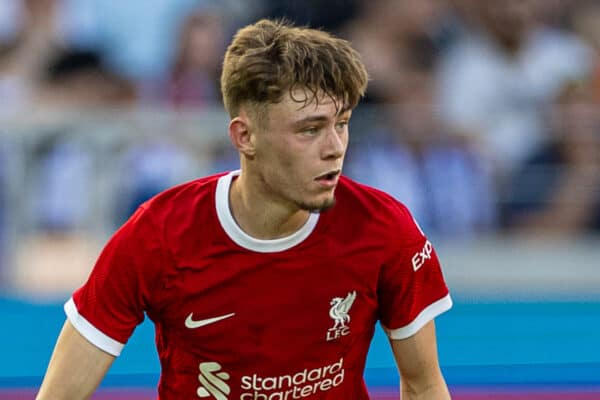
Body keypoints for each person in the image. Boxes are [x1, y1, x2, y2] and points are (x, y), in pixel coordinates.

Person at [36, 19, 452, 399]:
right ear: (244, 136)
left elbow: (424, 385)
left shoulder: (384, 227)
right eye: (310, 129)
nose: (335, 148)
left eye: (340, 123)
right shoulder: (158, 234)